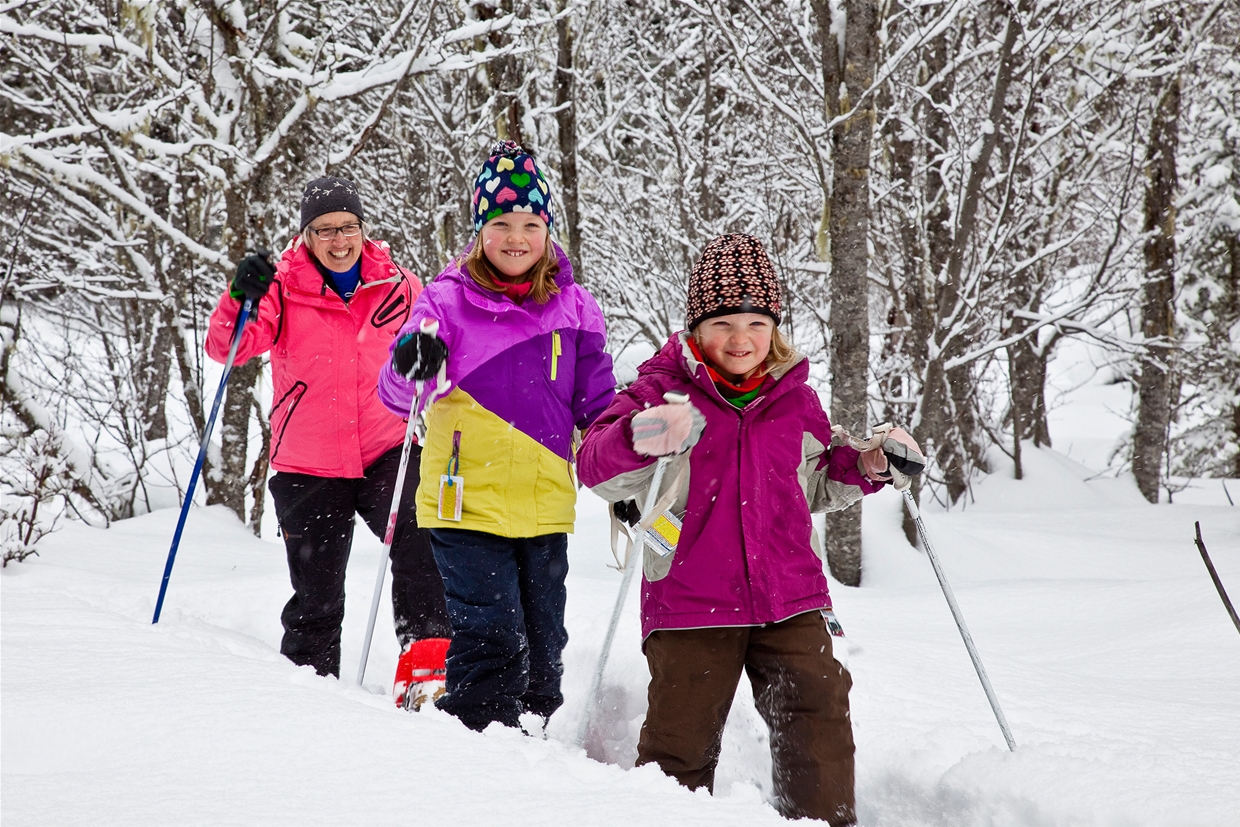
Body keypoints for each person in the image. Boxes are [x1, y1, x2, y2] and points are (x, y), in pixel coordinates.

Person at [576, 234, 924, 826]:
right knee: (678, 745)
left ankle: (822, 821)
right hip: (690, 600)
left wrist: (869, 463)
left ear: (774, 326)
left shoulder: (795, 399)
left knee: (818, 712)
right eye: (724, 323)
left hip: (789, 597)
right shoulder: (661, 392)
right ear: (695, 328)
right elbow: (595, 464)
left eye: (756, 322)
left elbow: (814, 479)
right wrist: (641, 436)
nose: (741, 339)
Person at [377, 141, 616, 732]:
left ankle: (535, 742)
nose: (517, 237)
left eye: (531, 223)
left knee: (543, 639)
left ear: (548, 229)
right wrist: (415, 360)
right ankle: (480, 752)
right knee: (492, 634)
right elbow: (398, 397)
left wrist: (626, 462)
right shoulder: (444, 301)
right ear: (481, 230)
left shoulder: (576, 308)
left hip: (544, 507)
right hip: (464, 503)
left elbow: (599, 407)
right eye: (502, 223)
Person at [205, 176, 451, 708]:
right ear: (306, 235)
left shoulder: (397, 285)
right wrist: (237, 298)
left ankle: (426, 682)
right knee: (317, 592)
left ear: (363, 229)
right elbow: (228, 348)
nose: (339, 240)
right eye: (324, 230)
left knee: (424, 545)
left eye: (348, 227)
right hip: (309, 462)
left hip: (387, 449)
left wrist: (429, 362)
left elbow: (434, 348)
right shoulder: (282, 287)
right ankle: (310, 702)